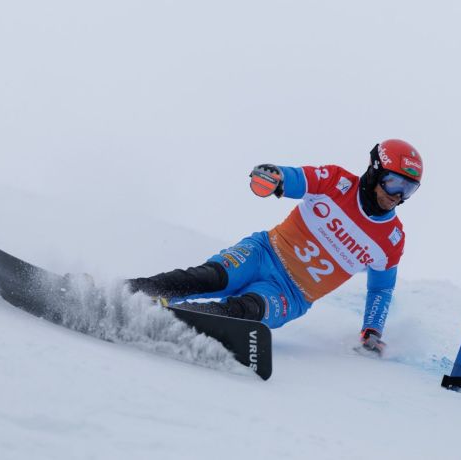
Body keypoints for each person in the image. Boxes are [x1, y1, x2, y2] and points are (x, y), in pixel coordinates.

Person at [126, 139, 423, 356]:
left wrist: (372, 331)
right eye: (394, 182)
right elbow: (297, 179)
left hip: (290, 294)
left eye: (408, 189)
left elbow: (381, 289)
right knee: (209, 277)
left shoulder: (391, 239)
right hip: (262, 254)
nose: (398, 195)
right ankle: (125, 292)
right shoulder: (336, 182)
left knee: (246, 310)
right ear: (374, 171)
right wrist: (276, 178)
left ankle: (167, 315)